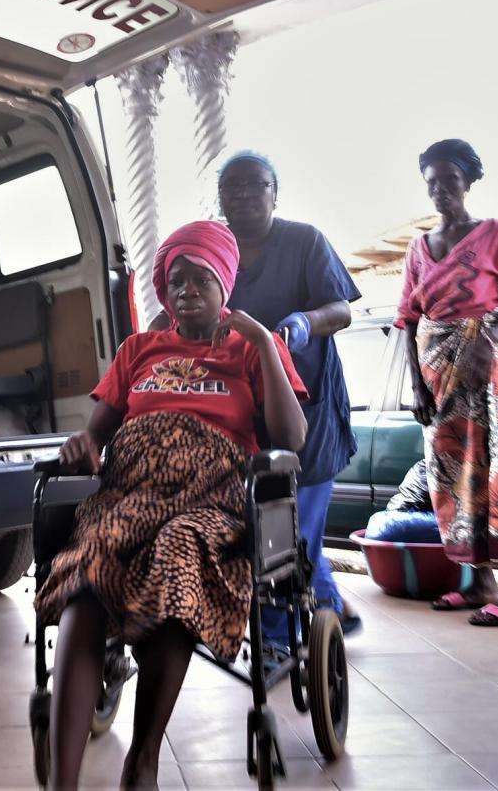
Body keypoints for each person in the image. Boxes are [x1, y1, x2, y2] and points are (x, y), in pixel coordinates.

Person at [37, 221, 307, 790]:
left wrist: (262, 344)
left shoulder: (252, 348)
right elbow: (96, 437)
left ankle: (143, 761)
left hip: (211, 497)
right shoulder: (138, 349)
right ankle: (63, 784)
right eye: (176, 279)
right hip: (130, 490)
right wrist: (83, 446)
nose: (186, 289)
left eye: (201, 278)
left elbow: (293, 437)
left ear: (224, 283)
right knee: (91, 567)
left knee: (179, 551)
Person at [155, 150, 362, 642]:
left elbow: (343, 309)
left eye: (255, 183)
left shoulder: (304, 241)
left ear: (275, 191)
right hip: (242, 411)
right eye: (232, 186)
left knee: (294, 519)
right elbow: (181, 304)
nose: (244, 193)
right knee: (266, 520)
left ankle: (278, 631)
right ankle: (327, 605)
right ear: (220, 198)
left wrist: (305, 323)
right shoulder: (212, 247)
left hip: (304, 405)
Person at [397, 138, 498, 627]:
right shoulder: (418, 247)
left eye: (451, 181)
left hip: (486, 372)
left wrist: (491, 338)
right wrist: (417, 385)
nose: (441, 192)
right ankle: (480, 582)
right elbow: (409, 318)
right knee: (453, 478)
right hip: (439, 379)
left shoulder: (496, 233)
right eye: (432, 184)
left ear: (469, 182)